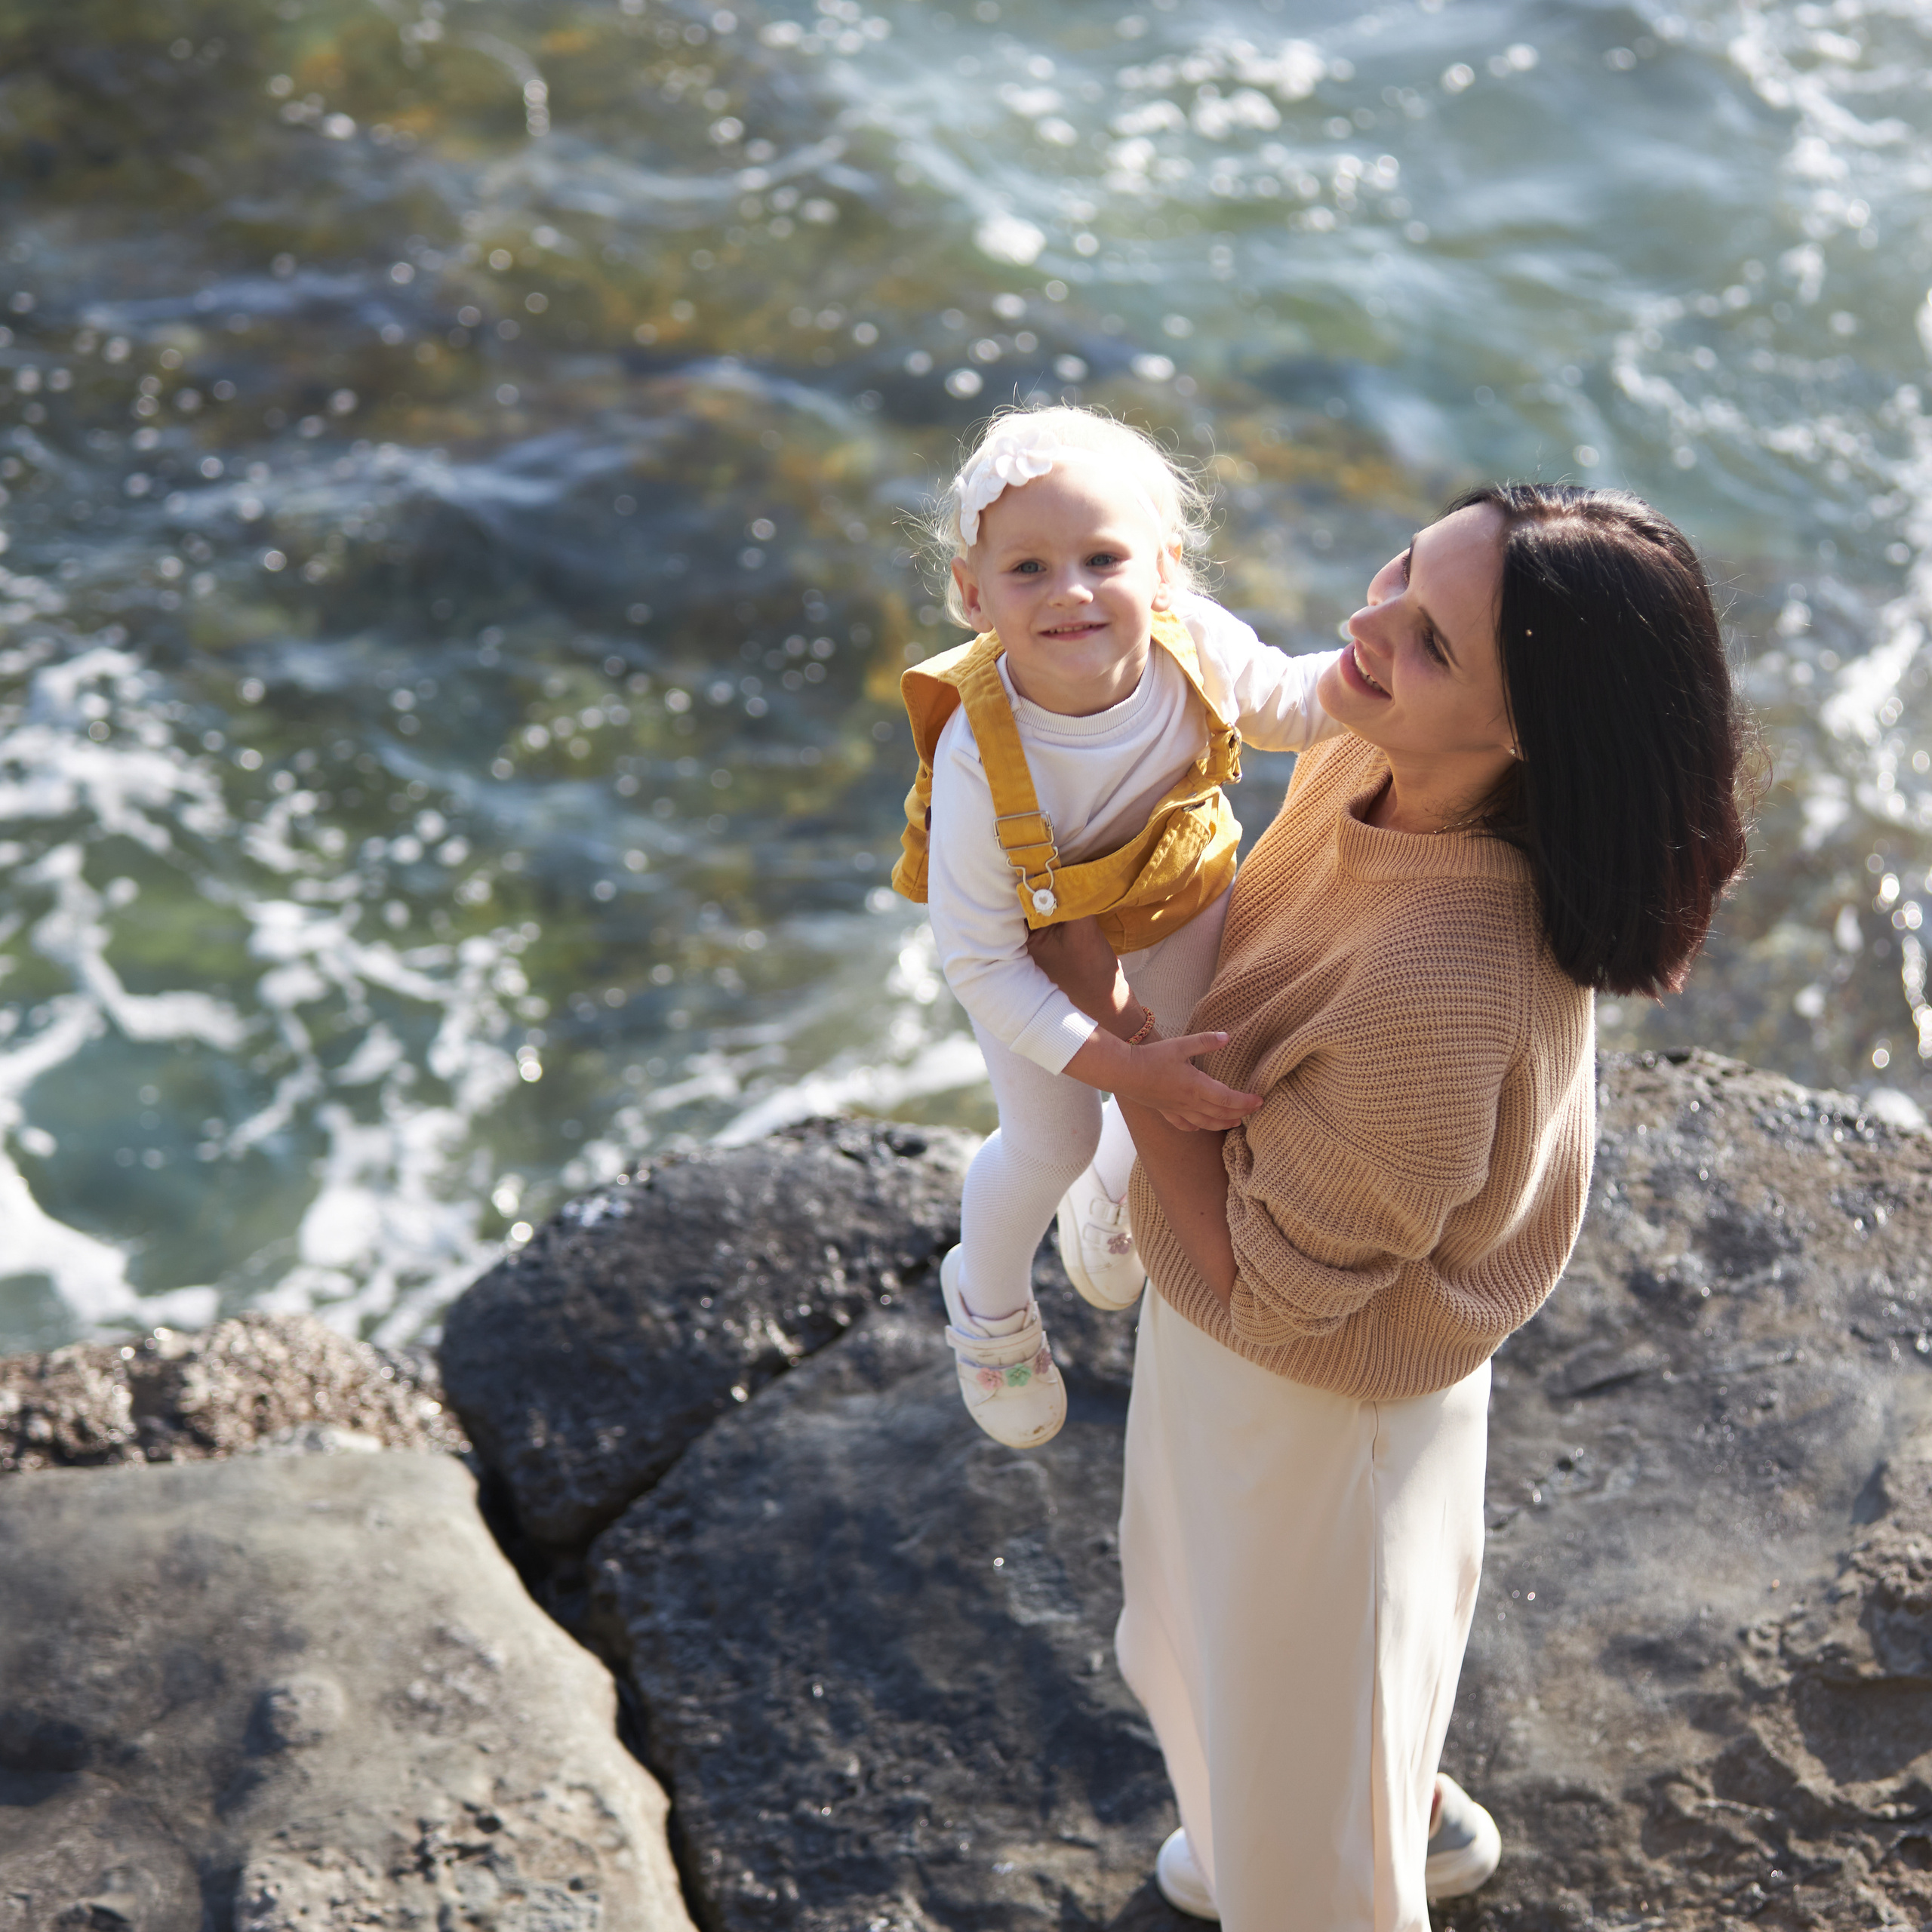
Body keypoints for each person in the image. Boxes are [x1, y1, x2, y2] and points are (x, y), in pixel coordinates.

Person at [1026, 485, 1753, 1927]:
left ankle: (1327, 1856)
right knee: (1211, 1649)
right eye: (1403, 569)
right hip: (1285, 1322)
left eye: (1431, 641)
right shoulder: (1376, 743)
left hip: (1319, 1390)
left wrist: (1102, 1024)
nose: (1367, 628)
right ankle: (1376, 1811)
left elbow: (1274, 1289)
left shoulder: (1444, 982)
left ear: (1528, 731)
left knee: (1305, 1758)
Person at [891, 406, 1340, 1450]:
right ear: (972, 593)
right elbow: (980, 962)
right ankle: (989, 1302)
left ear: (1166, 570)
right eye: (1028, 569)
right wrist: (1118, 1066)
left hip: (1179, 897)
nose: (1071, 591)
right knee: (1056, 1138)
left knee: (1190, 1067)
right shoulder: (980, 756)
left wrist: (1408, 670)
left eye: (1102, 558)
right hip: (1034, 953)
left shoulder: (1197, 646)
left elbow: (1291, 702)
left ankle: (1111, 1200)